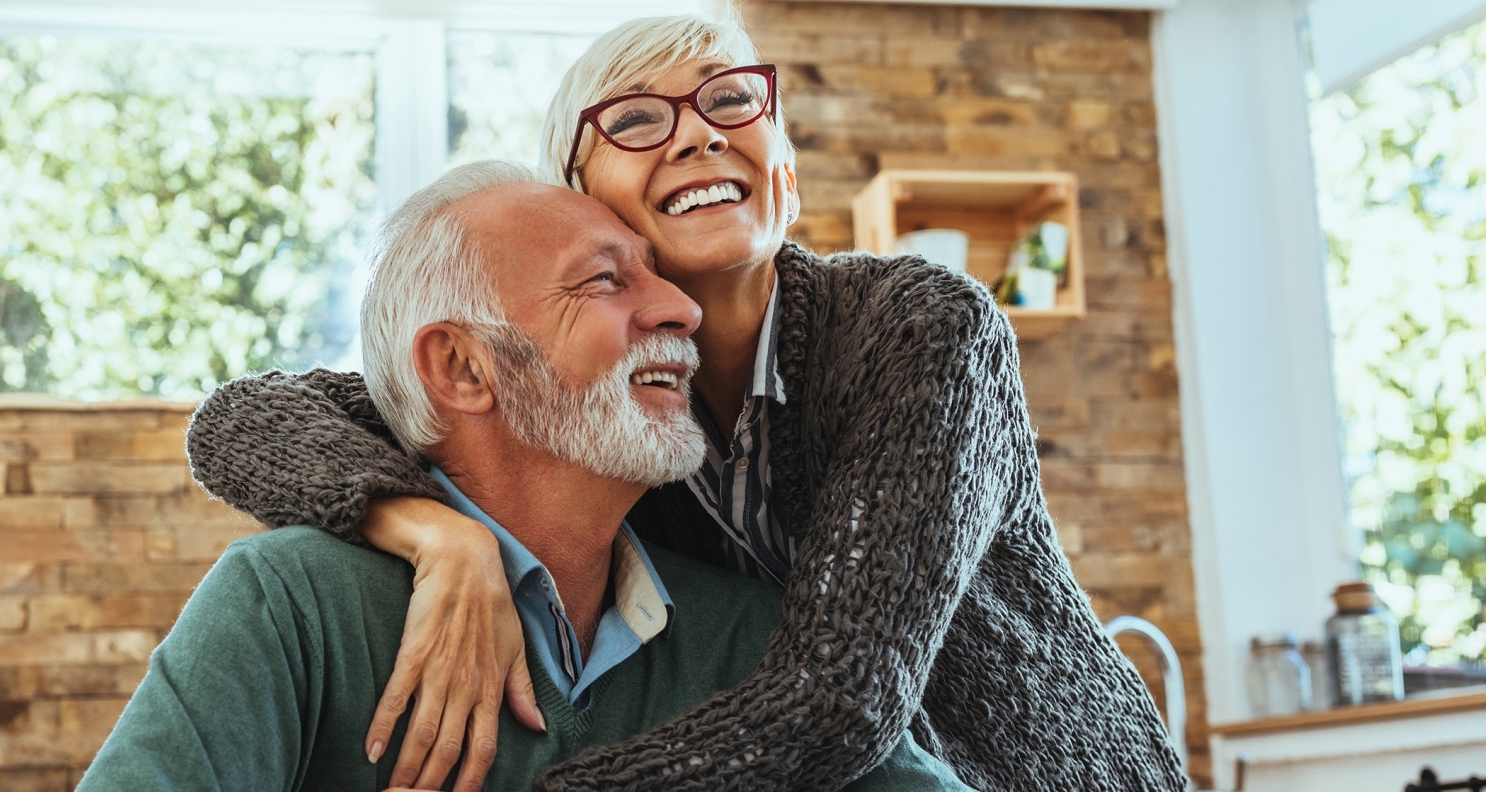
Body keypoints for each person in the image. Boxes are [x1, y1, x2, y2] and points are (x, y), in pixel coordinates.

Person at [184, 14, 1189, 792]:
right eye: (635, 120)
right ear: (580, 196)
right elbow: (244, 418)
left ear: (784, 172)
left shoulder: (921, 330)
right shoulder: (603, 405)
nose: (700, 135)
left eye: (732, 103)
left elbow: (839, 701)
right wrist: (440, 536)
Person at [76, 161, 972, 792]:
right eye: (604, 282)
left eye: (655, 275)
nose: (680, 308)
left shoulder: (755, 635)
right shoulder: (293, 606)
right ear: (464, 369)